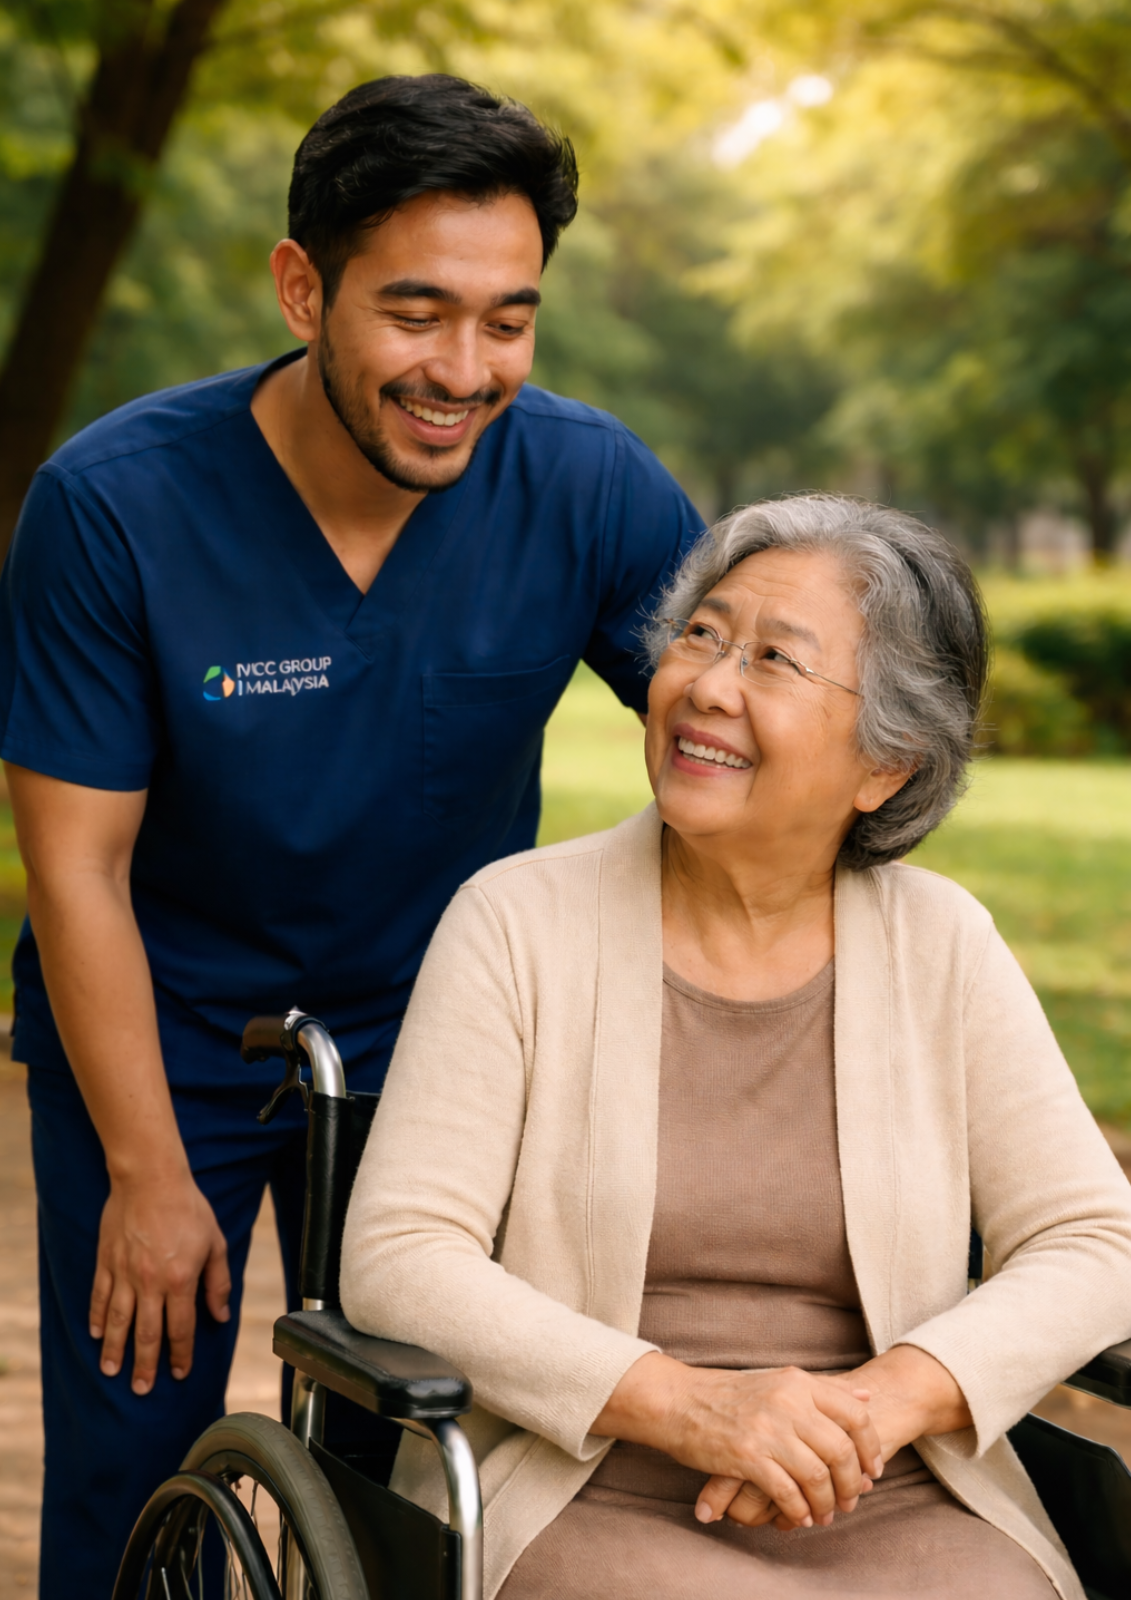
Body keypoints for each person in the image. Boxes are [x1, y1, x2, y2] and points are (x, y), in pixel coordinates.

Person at [0, 74, 702, 1598]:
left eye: (507, 319)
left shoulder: (583, 484)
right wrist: (144, 1171)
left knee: (415, 1452)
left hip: (432, 1039)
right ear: (302, 288)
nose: (463, 368)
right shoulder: (112, 506)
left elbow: (730, 727)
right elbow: (76, 863)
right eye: (415, 313)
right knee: (136, 1451)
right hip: (161, 1032)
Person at [341, 493, 1131, 1600]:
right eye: (701, 636)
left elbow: (1096, 1240)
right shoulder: (517, 922)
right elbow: (400, 1257)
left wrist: (885, 1400)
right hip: (586, 1481)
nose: (707, 683)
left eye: (774, 659)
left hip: (884, 1484)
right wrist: (694, 1407)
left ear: (886, 765)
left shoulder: (940, 943)